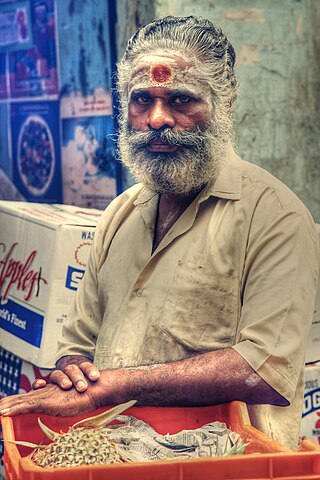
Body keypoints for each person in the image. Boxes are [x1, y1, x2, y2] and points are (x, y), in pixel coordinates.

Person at [0, 15, 318, 450]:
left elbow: (262, 370)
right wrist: (75, 371)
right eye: (141, 99)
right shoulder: (120, 213)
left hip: (229, 465)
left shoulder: (275, 216)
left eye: (182, 100)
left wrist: (114, 385)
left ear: (223, 105)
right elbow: (79, 341)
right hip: (115, 456)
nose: (156, 119)